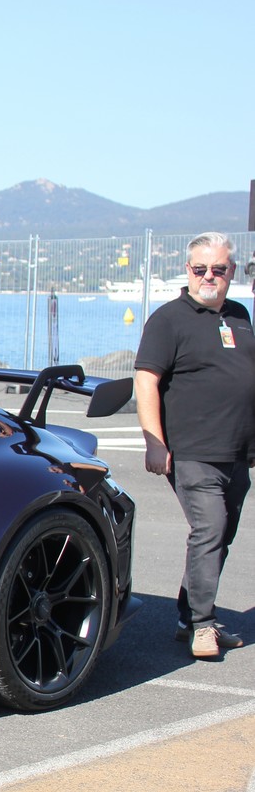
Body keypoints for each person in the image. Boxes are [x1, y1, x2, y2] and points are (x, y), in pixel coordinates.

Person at [134, 231, 255, 660]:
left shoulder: (239, 315)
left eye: (218, 269)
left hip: (236, 452)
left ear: (231, 272)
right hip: (192, 451)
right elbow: (146, 380)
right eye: (200, 268)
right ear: (188, 270)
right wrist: (154, 442)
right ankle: (203, 625)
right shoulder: (168, 319)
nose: (209, 276)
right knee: (210, 529)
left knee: (222, 535)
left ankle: (190, 617)